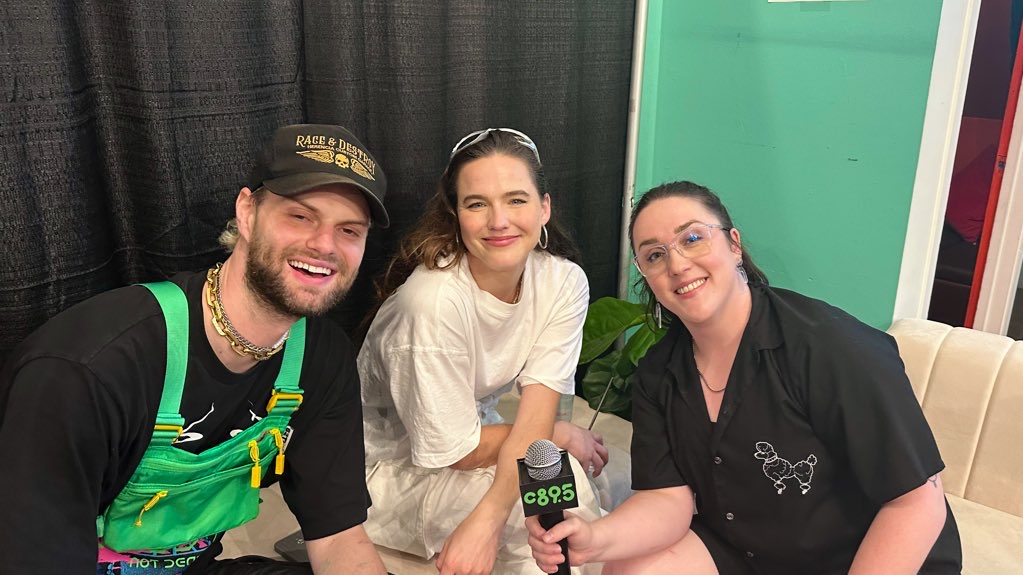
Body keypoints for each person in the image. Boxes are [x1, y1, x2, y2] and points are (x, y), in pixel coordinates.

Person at [0, 124, 391, 575]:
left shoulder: (320, 358)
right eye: (300, 216)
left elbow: (339, 538)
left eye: (348, 230)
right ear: (247, 212)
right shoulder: (89, 368)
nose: (325, 245)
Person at [526, 181, 963, 574]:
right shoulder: (660, 372)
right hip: (749, 550)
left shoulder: (829, 345)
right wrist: (594, 537)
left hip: (863, 554)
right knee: (629, 568)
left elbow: (917, 502)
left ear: (734, 245)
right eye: (655, 255)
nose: (677, 265)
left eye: (692, 238)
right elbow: (668, 500)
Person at [358, 128, 609, 575]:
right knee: (530, 511)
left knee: (565, 493)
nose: (499, 221)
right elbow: (459, 451)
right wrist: (490, 518)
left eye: (516, 200)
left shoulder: (563, 282)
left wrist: (548, 437)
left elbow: (537, 412)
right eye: (477, 204)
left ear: (544, 207)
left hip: (474, 431)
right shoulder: (431, 303)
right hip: (385, 469)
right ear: (455, 215)